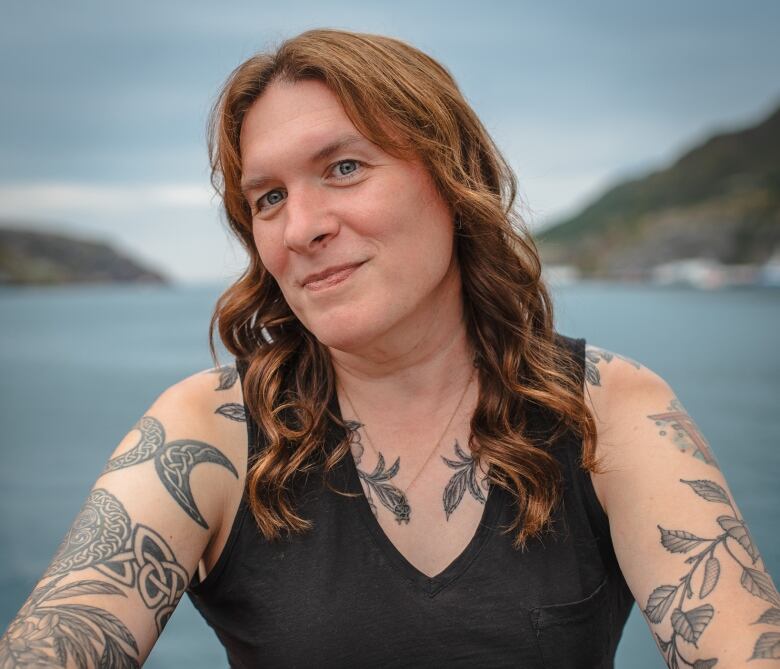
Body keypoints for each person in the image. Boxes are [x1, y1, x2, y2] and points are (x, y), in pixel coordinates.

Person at [1, 28, 778, 669]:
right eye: (267, 197)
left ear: (453, 178)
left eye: (344, 168)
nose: (300, 226)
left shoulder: (606, 408)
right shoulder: (207, 431)